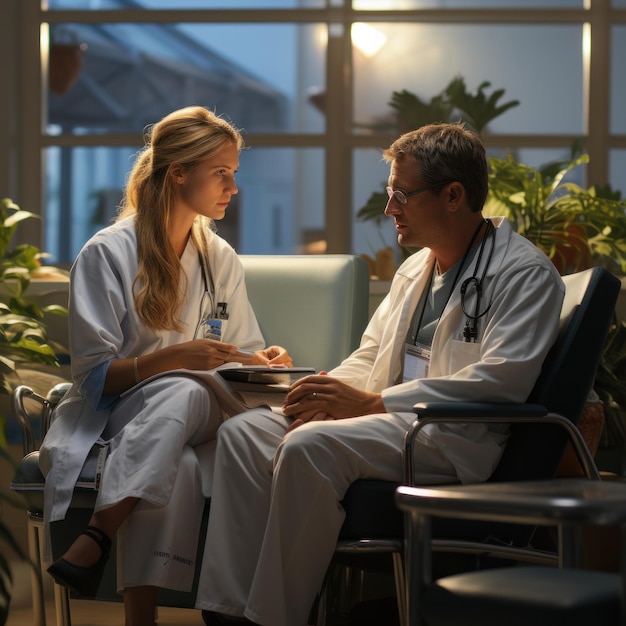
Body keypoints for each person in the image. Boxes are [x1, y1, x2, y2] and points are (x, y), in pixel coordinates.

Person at [195, 122, 566, 626]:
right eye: (390, 193)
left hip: (444, 435)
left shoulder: (524, 273)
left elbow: (500, 382)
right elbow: (372, 355)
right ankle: (227, 612)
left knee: (310, 448)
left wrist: (367, 405)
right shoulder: (417, 269)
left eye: (401, 195)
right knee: (244, 433)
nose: (390, 208)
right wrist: (327, 397)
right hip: (387, 420)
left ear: (453, 195)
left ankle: (273, 618)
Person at [39, 105, 292, 626]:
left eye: (234, 175)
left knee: (190, 392)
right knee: (179, 433)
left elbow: (240, 351)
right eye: (221, 173)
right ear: (179, 172)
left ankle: (98, 538)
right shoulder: (106, 254)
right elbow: (91, 378)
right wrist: (174, 359)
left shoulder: (218, 255)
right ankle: (140, 615)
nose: (233, 188)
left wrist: (264, 360)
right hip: (121, 415)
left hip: (202, 409)